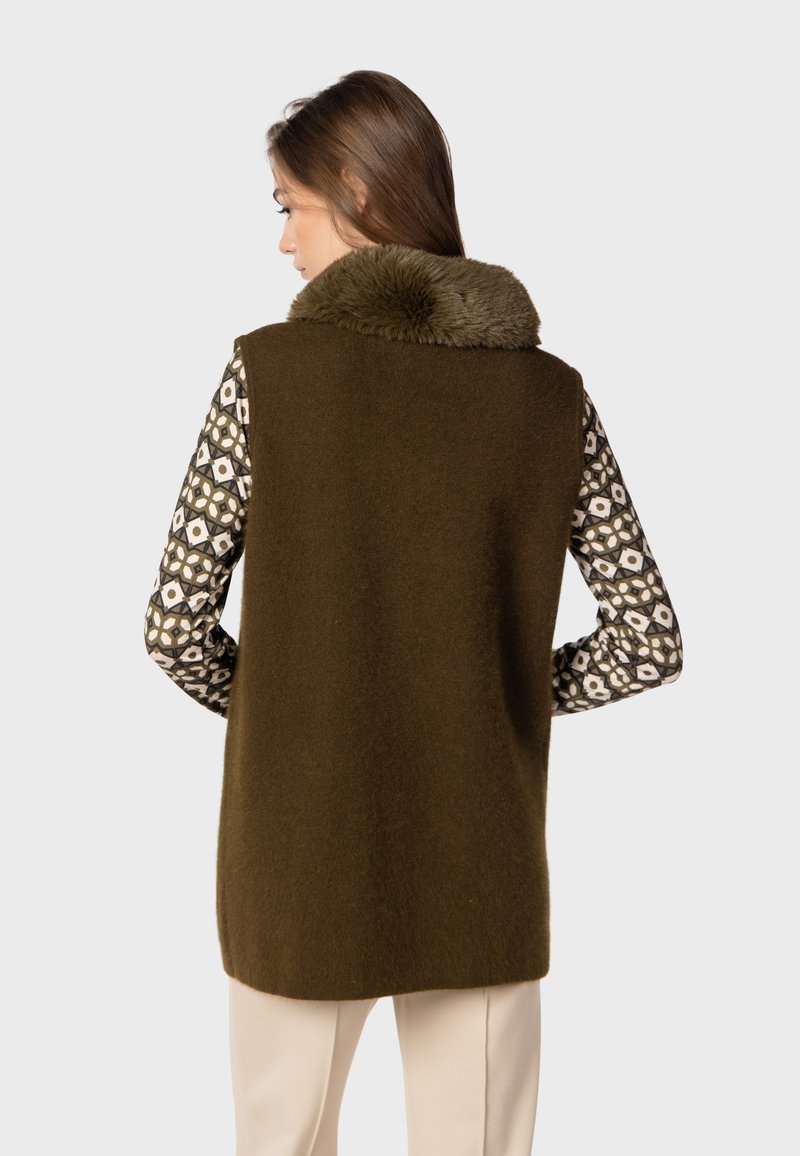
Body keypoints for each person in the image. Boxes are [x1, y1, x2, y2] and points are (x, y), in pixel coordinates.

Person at [144, 69, 683, 1156]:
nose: (283, 241)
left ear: (355, 191)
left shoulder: (266, 376)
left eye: (291, 207)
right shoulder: (548, 395)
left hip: (298, 849)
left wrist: (282, 711)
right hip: (480, 850)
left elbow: (174, 623)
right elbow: (647, 639)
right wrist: (498, 695)